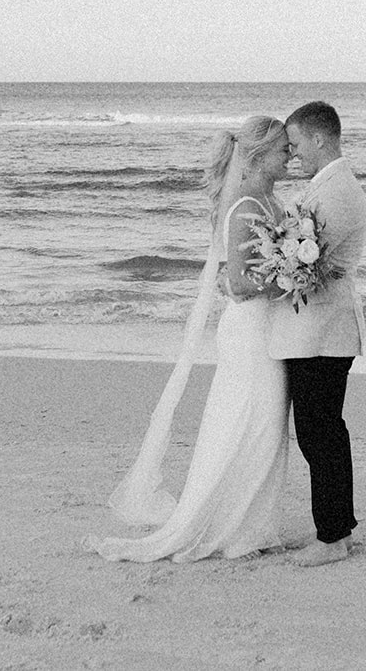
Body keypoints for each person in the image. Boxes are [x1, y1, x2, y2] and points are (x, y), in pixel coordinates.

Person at [96, 116, 295, 562]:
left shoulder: (271, 200)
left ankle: (251, 525)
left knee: (265, 427)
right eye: (284, 148)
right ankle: (229, 528)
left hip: (269, 328)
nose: (291, 155)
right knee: (247, 421)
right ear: (260, 155)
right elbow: (241, 286)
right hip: (250, 330)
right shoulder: (245, 208)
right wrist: (294, 279)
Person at [277, 101, 366, 567]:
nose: (293, 155)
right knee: (323, 431)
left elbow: (310, 261)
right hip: (319, 329)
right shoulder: (328, 184)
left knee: (320, 433)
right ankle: (338, 530)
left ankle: (331, 537)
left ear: (318, 138)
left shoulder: (336, 190)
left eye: (295, 145)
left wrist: (278, 266)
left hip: (326, 330)